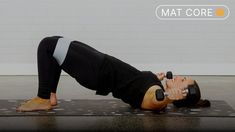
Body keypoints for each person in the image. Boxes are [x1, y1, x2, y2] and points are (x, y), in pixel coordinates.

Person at [16, 36, 209, 112]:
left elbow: (153, 102)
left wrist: (167, 98)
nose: (180, 76)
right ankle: (50, 95)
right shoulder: (155, 85)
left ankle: (42, 98)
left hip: (98, 70)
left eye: (183, 81)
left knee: (48, 46)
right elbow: (139, 86)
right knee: (57, 42)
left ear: (181, 94)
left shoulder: (155, 95)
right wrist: (153, 78)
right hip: (102, 64)